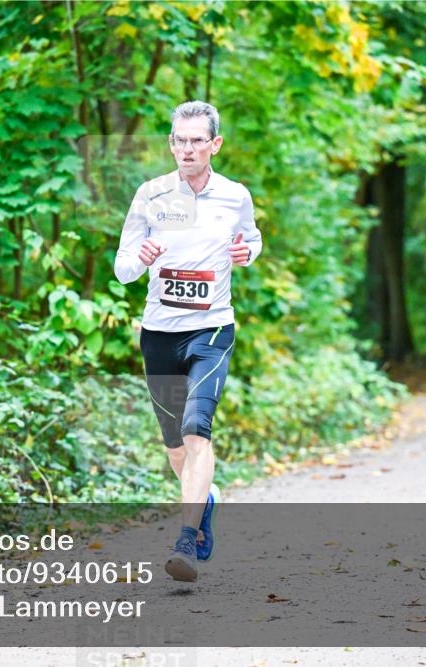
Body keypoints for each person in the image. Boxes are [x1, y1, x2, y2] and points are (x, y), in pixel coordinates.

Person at [114, 100, 262, 582]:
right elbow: (122, 270)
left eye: (198, 140)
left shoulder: (235, 196)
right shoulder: (151, 195)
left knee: (198, 428)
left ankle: (187, 538)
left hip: (212, 329)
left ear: (215, 144)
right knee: (176, 446)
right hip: (158, 333)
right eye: (180, 140)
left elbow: (252, 240)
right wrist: (142, 253)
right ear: (171, 143)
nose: (187, 149)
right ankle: (207, 500)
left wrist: (247, 252)